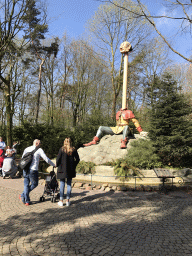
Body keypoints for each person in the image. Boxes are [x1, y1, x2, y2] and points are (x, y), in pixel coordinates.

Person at [19, 139, 56, 206]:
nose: (40, 144)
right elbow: (46, 159)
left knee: (26, 184)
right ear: (37, 143)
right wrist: (53, 164)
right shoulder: (39, 150)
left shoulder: (27, 149)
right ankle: (22, 195)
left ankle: (26, 200)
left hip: (25, 168)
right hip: (33, 170)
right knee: (35, 184)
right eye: (40, 143)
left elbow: (22, 158)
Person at [56, 137, 80, 207]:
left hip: (62, 169)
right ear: (70, 142)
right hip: (70, 170)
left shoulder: (62, 149)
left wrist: (57, 165)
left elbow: (58, 159)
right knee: (69, 184)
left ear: (64, 142)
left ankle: (61, 200)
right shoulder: (73, 149)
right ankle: (68, 201)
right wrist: (74, 165)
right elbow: (78, 159)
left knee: (62, 184)